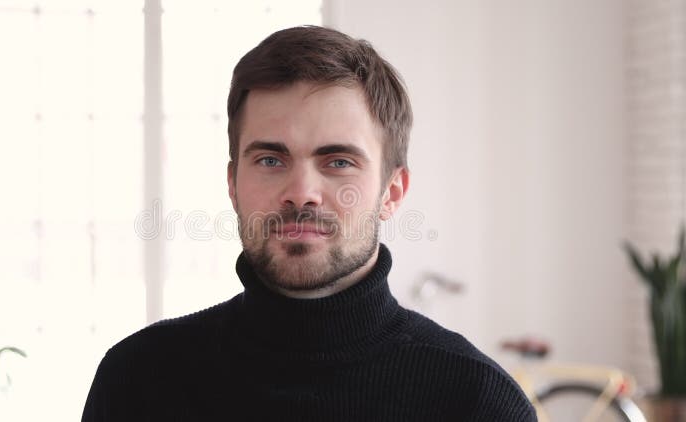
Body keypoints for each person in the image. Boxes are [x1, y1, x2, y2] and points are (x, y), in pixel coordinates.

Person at [82, 25, 536, 421]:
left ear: (392, 193)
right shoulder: (137, 380)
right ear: (233, 183)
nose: (301, 191)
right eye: (270, 159)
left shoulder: (477, 402)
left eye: (338, 161)